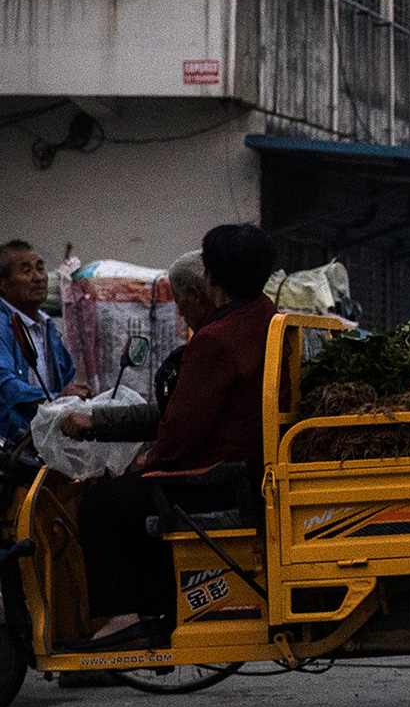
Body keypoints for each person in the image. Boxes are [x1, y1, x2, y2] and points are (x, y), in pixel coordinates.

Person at [72, 225, 280, 650]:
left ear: (211, 280)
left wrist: (152, 460)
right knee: (136, 492)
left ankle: (126, 617)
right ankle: (156, 609)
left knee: (101, 503)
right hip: (253, 466)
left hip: (221, 479)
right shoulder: (267, 315)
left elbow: (182, 430)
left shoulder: (216, 340)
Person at [63, 252, 211, 444]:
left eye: (180, 302)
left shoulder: (211, 345)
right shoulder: (212, 339)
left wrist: (97, 421)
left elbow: (176, 417)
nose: (180, 312)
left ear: (195, 296)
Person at [2, 239, 88, 449]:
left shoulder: (46, 325)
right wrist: (55, 399)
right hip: (11, 443)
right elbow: (4, 383)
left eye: (40, 268)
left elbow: (67, 375)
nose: (38, 278)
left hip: (43, 440)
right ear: (3, 283)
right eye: (26, 271)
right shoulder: (3, 324)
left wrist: (77, 394)